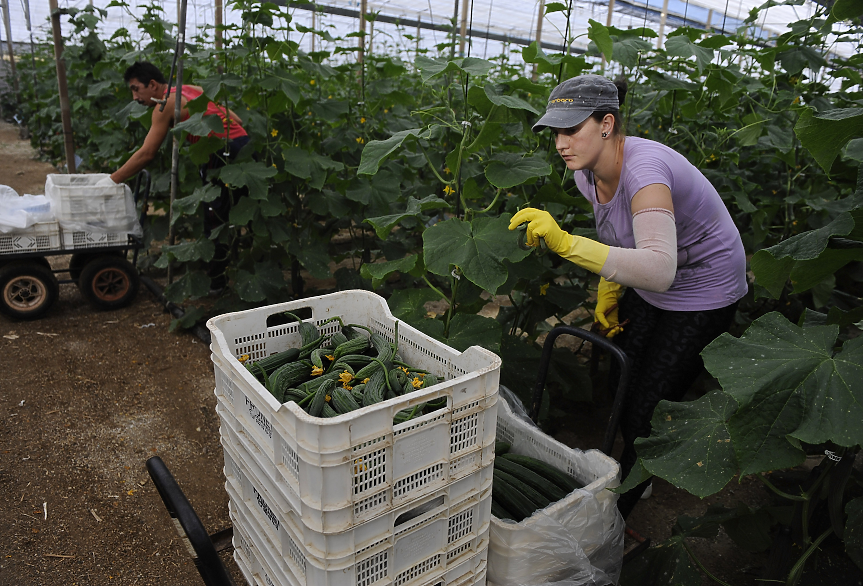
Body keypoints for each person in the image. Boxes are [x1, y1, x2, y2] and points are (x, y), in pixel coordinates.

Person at [509, 74, 747, 520]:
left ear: (606, 124)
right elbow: (619, 234)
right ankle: (632, 466)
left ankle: (621, 511)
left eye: (572, 129)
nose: (561, 143)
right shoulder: (587, 173)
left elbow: (659, 270)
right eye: (556, 132)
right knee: (623, 381)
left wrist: (565, 244)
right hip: (653, 283)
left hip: (704, 289)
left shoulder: (645, 172)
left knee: (646, 409)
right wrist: (611, 288)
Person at [106, 61, 250, 290]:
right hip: (243, 144)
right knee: (245, 211)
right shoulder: (193, 89)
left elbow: (147, 153)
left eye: (136, 89)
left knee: (215, 218)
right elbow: (238, 121)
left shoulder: (165, 105)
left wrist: (110, 180)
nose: (134, 97)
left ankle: (217, 284)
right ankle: (248, 269)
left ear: (152, 85)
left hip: (220, 152)